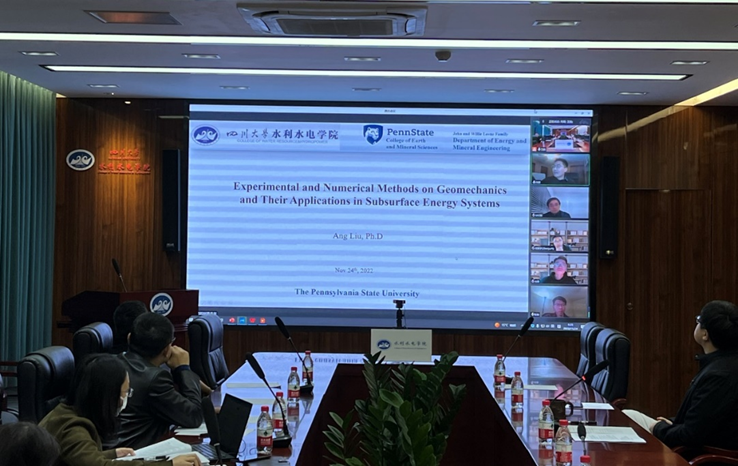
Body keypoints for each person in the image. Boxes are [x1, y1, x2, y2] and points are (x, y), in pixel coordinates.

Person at [39, 354, 201, 466]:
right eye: (125, 393)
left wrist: (111, 454)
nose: (126, 398)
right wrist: (170, 464)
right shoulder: (73, 428)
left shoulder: (66, 412)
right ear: (107, 396)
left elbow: (80, 458)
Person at [623, 301, 738, 450]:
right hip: (694, 437)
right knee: (628, 415)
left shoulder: (717, 376)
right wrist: (672, 424)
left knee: (626, 421)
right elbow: (702, 420)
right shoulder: (725, 363)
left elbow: (690, 435)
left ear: (705, 334)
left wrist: (659, 428)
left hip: (694, 452)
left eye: (698, 320)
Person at [117, 313, 203, 449]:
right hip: (134, 454)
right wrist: (183, 369)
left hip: (103, 452)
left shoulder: (106, 364)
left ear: (129, 338)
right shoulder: (155, 379)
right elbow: (193, 417)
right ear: (167, 350)